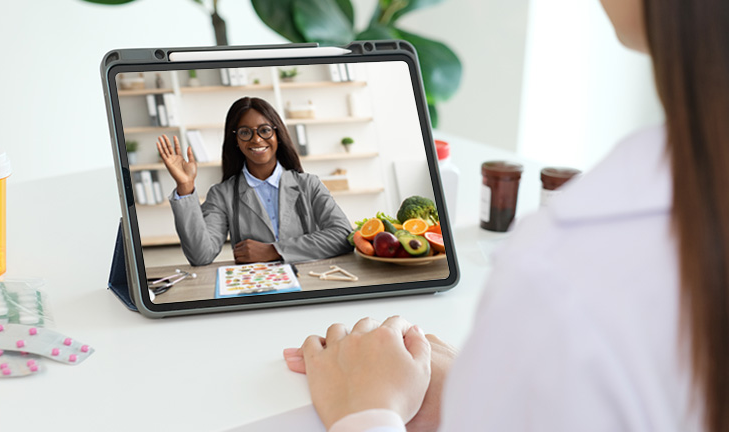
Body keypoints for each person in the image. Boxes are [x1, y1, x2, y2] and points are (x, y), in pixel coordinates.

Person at [282, 0, 729, 431]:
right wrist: (492, 392)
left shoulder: (560, 271)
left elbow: (339, 232)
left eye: (266, 133)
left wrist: (367, 412)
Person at [157, 96, 353, 265]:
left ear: (277, 134)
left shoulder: (308, 184)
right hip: (256, 287)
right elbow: (201, 256)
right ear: (236, 140)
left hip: (309, 281)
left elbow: (342, 235)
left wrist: (274, 250)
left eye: (265, 130)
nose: (257, 139)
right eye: (245, 132)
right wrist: (185, 186)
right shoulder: (222, 194)